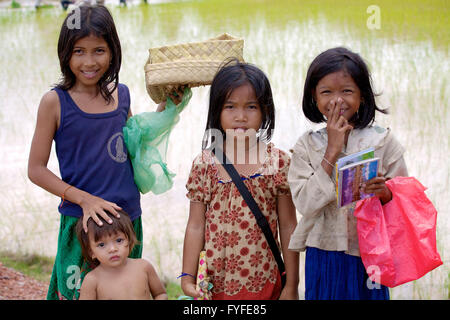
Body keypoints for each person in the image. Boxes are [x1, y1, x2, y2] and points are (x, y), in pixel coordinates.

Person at [27, 3, 181, 300]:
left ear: (112, 52)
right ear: (65, 53)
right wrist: (84, 200)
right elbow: (35, 169)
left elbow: (136, 143)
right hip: (82, 226)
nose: (89, 61)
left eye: (99, 50)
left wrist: (166, 108)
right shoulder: (54, 102)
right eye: (79, 51)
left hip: (126, 221)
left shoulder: (121, 95)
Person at [287, 47, 408, 300]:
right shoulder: (306, 146)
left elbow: (405, 203)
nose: (337, 100)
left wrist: (385, 193)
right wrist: (330, 152)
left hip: (370, 254)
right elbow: (305, 204)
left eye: (347, 91)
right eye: (327, 92)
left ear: (362, 95)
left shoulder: (383, 142)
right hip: (323, 253)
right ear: (314, 96)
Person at [181, 60, 299, 300]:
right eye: (230, 107)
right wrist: (187, 277)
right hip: (215, 285)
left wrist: (292, 285)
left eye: (251, 107)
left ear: (265, 111)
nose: (241, 117)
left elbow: (288, 226)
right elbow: (195, 225)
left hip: (265, 280)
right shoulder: (205, 165)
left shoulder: (277, 163)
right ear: (217, 111)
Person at [76, 210, 167, 300]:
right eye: (101, 245)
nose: (113, 249)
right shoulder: (92, 281)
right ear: (91, 252)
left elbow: (160, 294)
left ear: (129, 241)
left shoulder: (144, 267)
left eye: (119, 240)